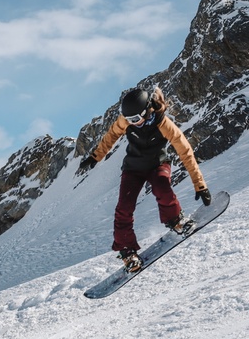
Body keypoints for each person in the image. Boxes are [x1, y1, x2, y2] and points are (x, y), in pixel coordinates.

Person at [79, 86, 212, 272]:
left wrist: (200, 185)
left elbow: (185, 152)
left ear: (147, 110)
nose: (132, 123)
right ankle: (127, 251)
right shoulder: (126, 122)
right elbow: (111, 135)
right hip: (133, 168)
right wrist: (96, 156)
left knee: (162, 187)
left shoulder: (164, 124)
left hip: (157, 164)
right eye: (128, 119)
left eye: (135, 119)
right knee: (124, 207)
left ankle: (175, 220)